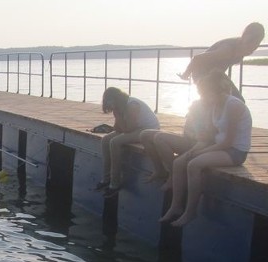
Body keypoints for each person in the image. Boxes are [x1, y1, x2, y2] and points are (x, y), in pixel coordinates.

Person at [160, 70, 252, 227]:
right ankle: (176, 206)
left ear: (214, 91)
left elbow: (228, 142)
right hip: (217, 146)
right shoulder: (215, 105)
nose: (202, 97)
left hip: (234, 151)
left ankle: (190, 212)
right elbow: (210, 133)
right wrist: (197, 145)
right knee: (178, 163)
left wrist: (200, 152)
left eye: (204, 93)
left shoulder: (233, 105)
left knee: (193, 164)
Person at [96, 87, 159, 198]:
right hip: (135, 128)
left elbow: (128, 129)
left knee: (115, 142)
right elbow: (118, 128)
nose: (109, 104)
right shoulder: (119, 107)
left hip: (147, 130)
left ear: (116, 98)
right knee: (106, 140)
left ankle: (115, 183)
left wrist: (119, 116)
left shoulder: (131, 105)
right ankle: (106, 178)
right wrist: (117, 114)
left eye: (110, 101)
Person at [179, 22, 265, 100]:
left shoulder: (242, 50)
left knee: (238, 99)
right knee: (218, 98)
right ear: (244, 38)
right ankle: (196, 114)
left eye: (256, 46)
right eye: (250, 46)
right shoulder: (226, 50)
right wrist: (185, 75)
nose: (251, 50)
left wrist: (224, 82)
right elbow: (197, 59)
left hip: (216, 74)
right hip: (201, 73)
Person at [139, 99, 211, 188]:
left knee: (160, 138)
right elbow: (187, 131)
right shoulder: (198, 103)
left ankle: (173, 175)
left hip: (198, 145)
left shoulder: (212, 107)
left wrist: (193, 133)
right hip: (188, 138)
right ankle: (160, 170)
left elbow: (205, 137)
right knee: (145, 135)